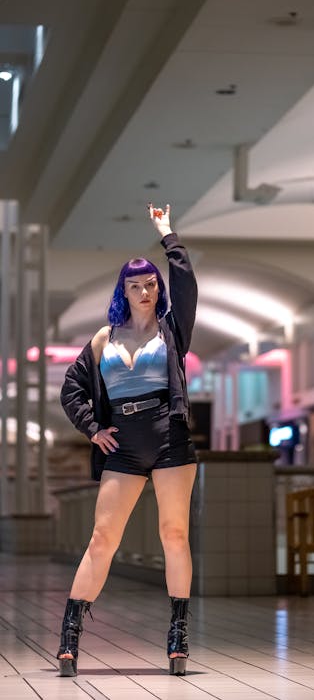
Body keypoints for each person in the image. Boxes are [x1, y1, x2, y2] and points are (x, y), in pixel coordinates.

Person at [56, 204, 198, 678]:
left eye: (150, 284)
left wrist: (168, 235)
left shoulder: (172, 330)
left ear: (158, 289)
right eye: (134, 285)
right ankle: (70, 636)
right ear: (123, 291)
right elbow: (71, 389)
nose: (144, 292)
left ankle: (178, 635)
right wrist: (93, 429)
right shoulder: (103, 338)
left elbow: (187, 285)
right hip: (123, 445)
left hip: (170, 437)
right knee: (102, 538)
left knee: (173, 535)